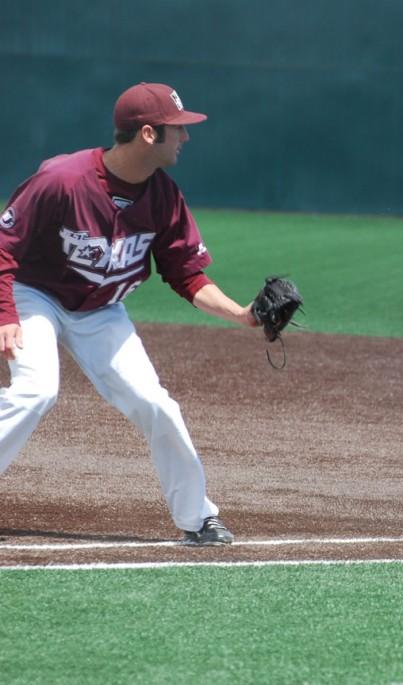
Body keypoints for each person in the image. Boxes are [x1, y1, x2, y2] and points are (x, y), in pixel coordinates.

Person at [0, 82, 263, 545]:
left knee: (155, 403)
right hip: (34, 294)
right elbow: (4, 247)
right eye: (176, 130)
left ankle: (198, 518)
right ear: (147, 134)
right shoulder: (62, 180)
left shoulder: (163, 196)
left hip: (102, 310)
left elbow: (187, 276)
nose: (185, 138)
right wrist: (6, 314)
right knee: (37, 390)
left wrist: (242, 315)